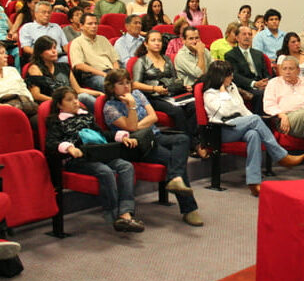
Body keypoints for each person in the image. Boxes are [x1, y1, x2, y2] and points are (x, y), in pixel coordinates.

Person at [103, 69, 203, 226]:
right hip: (137, 146)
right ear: (111, 87)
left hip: (155, 136)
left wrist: (137, 125)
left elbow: (153, 117)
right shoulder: (110, 107)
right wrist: (132, 107)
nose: (126, 86)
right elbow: (130, 128)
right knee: (173, 159)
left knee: (183, 138)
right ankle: (189, 209)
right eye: (120, 84)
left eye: (127, 82)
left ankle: (174, 178)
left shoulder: (138, 94)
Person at [45, 86, 144, 232]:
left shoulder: (86, 116)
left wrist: (122, 137)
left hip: (98, 153)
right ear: (59, 104)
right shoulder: (56, 121)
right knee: (105, 171)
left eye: (76, 99)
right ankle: (113, 214)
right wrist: (70, 148)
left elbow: (101, 135)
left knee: (126, 166)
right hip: (77, 159)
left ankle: (125, 213)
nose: (75, 102)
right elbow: (51, 143)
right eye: (69, 100)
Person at [203, 60, 304, 196]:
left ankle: (253, 182)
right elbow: (224, 112)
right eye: (229, 75)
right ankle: (281, 156)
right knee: (255, 119)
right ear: (220, 77)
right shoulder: (209, 94)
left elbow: (241, 108)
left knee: (253, 134)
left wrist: (251, 120)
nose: (232, 78)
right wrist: (223, 93)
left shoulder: (232, 87)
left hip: (238, 124)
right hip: (221, 129)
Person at [132, 30, 204, 155]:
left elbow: (175, 78)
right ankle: (191, 144)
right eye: (153, 40)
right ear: (146, 44)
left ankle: (194, 141)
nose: (157, 43)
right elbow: (135, 84)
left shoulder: (167, 59)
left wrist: (182, 86)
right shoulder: (141, 61)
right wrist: (155, 89)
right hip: (153, 97)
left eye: (159, 40)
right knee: (177, 111)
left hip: (172, 94)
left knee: (194, 105)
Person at [26, 36, 100, 113]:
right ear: (40, 53)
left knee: (91, 97)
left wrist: (99, 93)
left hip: (70, 100)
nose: (54, 51)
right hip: (52, 104)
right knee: (84, 97)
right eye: (49, 49)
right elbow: (36, 95)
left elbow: (77, 89)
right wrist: (60, 102)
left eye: (54, 48)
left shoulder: (64, 67)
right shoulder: (35, 68)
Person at [225, 25, 271, 114]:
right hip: (245, 86)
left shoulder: (258, 54)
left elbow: (266, 72)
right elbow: (235, 75)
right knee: (260, 94)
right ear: (237, 38)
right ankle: (260, 120)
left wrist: (266, 82)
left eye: (250, 34)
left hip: (262, 83)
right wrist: (254, 84)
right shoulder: (231, 55)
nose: (247, 37)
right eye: (244, 34)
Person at [70, 12, 120, 91]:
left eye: (96, 23)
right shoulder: (77, 42)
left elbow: (114, 60)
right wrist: (104, 74)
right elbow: (79, 65)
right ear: (81, 26)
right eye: (90, 24)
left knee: (129, 84)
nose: (94, 26)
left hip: (111, 72)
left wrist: (116, 72)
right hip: (93, 75)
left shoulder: (103, 39)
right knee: (113, 87)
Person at [0, 4, 20, 72]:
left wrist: (11, 35)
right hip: (1, 41)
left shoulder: (1, 10)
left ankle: (17, 76)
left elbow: (11, 28)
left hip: (7, 40)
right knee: (3, 52)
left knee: (17, 52)